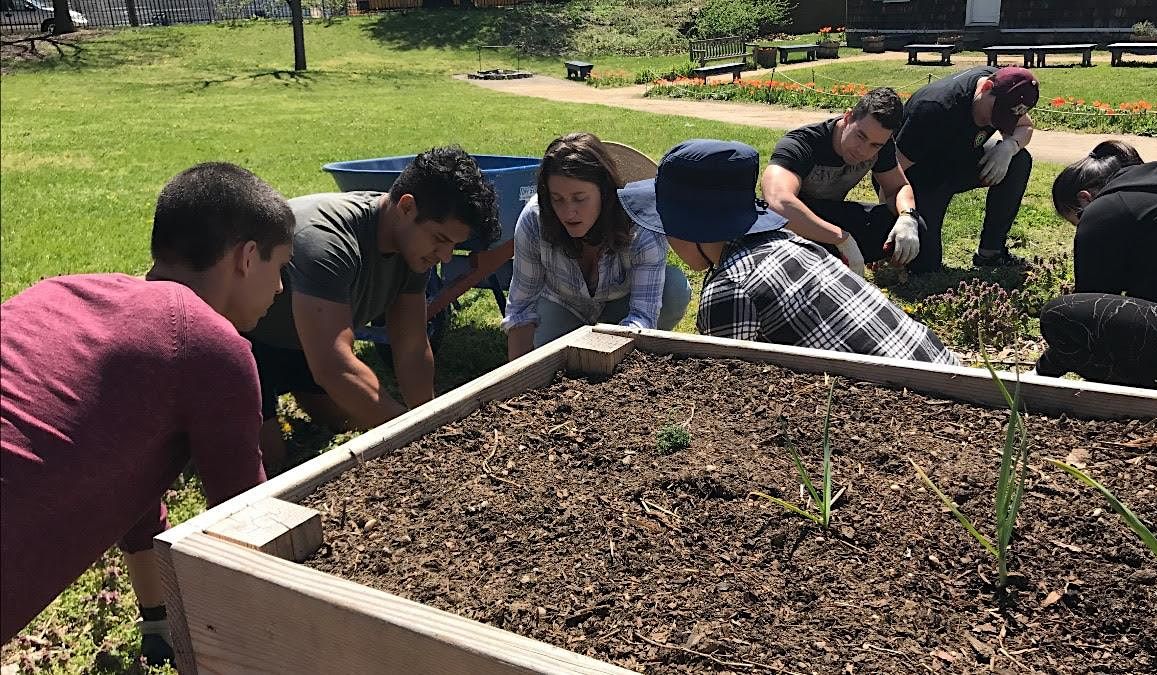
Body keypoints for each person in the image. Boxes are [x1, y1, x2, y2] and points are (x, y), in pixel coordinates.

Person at [1, 163, 295, 664]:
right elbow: (243, 523)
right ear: (247, 258)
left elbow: (129, 474)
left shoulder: (62, 292)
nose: (282, 288)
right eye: (280, 266)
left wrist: (158, 621)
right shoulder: (209, 345)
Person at [246, 146, 500, 467]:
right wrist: (412, 435)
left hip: (301, 340)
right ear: (406, 207)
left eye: (453, 245)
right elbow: (334, 367)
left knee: (343, 418)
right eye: (440, 239)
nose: (446, 256)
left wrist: (429, 423)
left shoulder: (412, 245)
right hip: (246, 342)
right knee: (270, 461)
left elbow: (411, 345)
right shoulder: (327, 242)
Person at [618, 139, 959, 365]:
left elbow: (727, 395)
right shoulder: (794, 244)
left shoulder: (729, 288)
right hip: (946, 376)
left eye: (666, 225)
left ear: (691, 228)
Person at [503, 133, 691, 359]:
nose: (568, 212)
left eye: (579, 198)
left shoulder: (642, 228)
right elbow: (521, 308)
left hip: (620, 302)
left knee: (674, 288)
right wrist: (518, 373)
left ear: (604, 192)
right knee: (551, 361)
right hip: (562, 302)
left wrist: (601, 360)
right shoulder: (535, 220)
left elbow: (642, 317)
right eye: (557, 199)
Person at [1037, 140, 1157, 391]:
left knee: (1060, 315)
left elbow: (1090, 321)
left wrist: (1044, 370)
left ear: (1084, 199)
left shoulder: (1104, 209)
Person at [762, 87, 923, 276]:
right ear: (848, 117)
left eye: (875, 145)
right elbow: (777, 203)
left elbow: (898, 187)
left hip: (833, 216)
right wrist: (842, 239)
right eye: (860, 136)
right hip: (795, 225)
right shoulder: (802, 143)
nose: (863, 150)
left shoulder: (882, 146)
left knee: (913, 226)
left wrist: (907, 217)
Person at [894, 66, 1039, 273]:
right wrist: (898, 219)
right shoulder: (934, 108)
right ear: (986, 87)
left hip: (961, 160)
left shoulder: (1009, 89)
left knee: (1019, 160)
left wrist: (1009, 147)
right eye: (996, 113)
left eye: (1005, 117)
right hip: (921, 175)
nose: (994, 122)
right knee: (924, 267)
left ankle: (991, 251)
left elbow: (1025, 126)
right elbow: (894, 170)